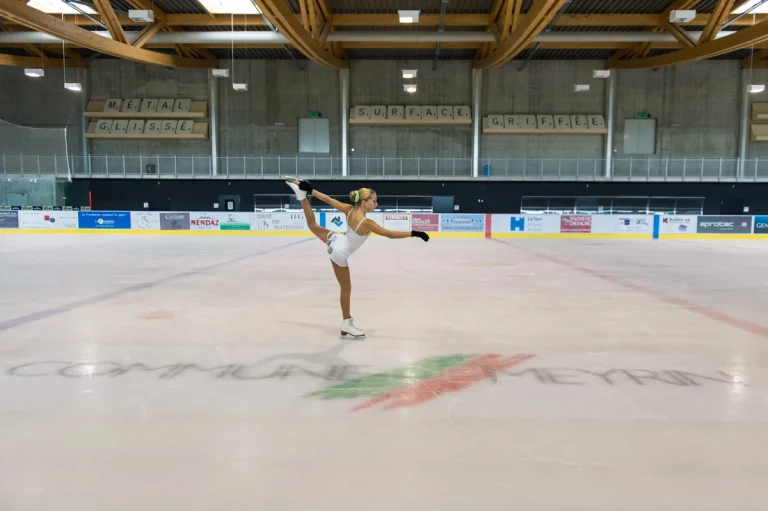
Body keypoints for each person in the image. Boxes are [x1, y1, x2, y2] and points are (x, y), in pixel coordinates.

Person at [285, 178, 429, 339]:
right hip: (339, 252)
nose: (377, 204)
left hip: (336, 240)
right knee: (346, 288)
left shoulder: (349, 210)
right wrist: (414, 233)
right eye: (374, 201)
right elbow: (389, 234)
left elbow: (327, 199)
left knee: (313, 226)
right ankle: (347, 322)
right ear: (365, 202)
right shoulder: (367, 223)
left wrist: (310, 190)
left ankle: (301, 196)